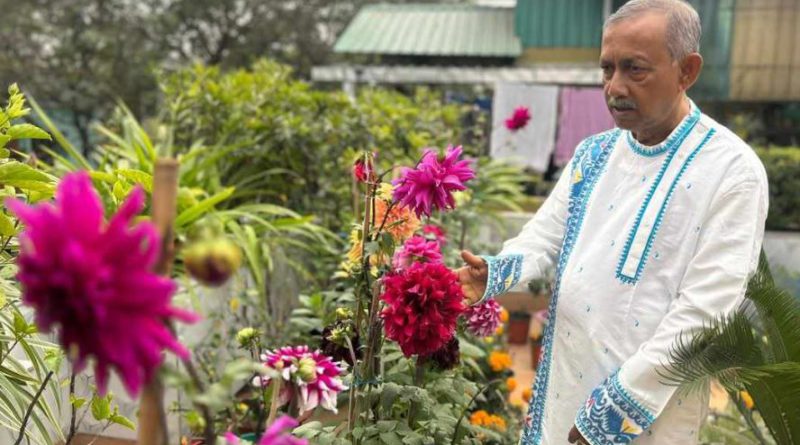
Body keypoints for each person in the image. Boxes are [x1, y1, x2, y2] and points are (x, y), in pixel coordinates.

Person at [457, 1, 768, 444]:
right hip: (562, 393)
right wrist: (496, 271)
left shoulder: (732, 170)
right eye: (606, 69)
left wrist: (613, 414)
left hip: (648, 415)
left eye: (634, 69)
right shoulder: (594, 154)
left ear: (687, 71)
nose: (614, 87)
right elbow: (543, 238)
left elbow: (706, 309)